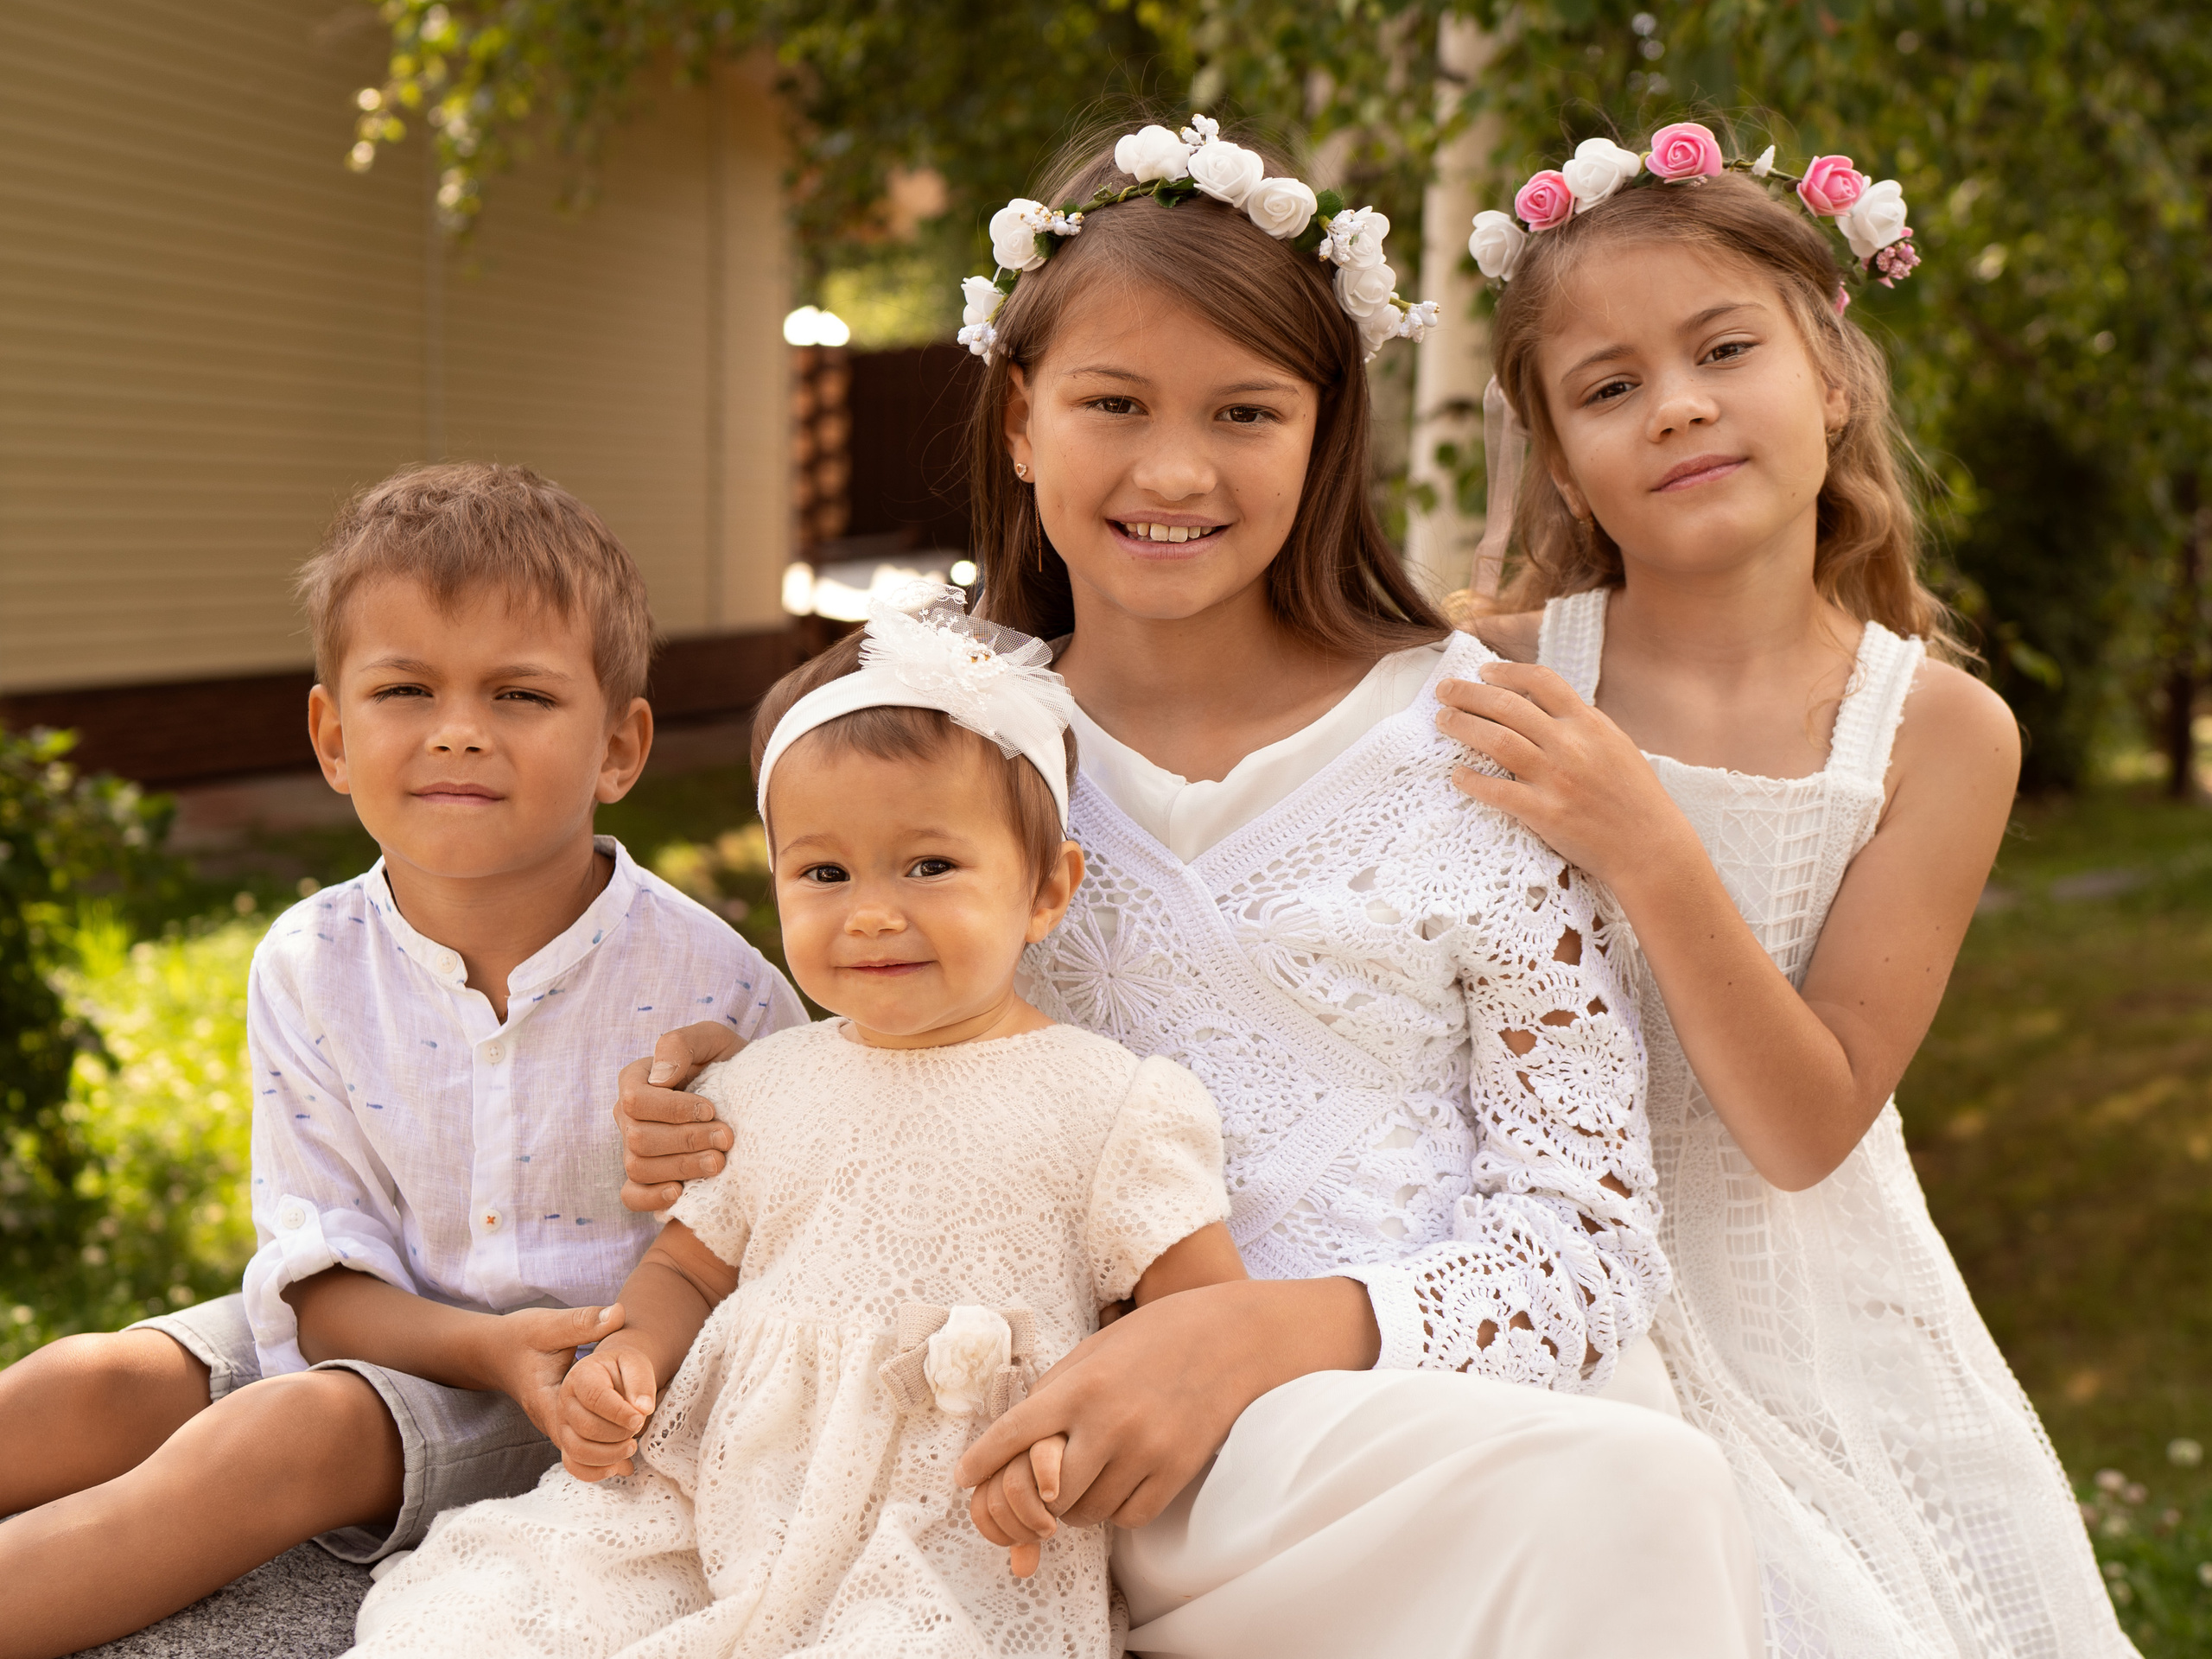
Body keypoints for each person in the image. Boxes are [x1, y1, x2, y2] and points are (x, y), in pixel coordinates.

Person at [615, 117, 1764, 1657]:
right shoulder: (944, 735)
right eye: (1113, 403)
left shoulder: (1474, 743)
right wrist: (713, 1062)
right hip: (1062, 1445)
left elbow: (1590, 1229)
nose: (1174, 468)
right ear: (1019, 420)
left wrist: (1263, 1338)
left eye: (1242, 411)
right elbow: (858, 997)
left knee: (1638, 1487)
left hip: (1424, 1413)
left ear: (1323, 430)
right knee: (1627, 1501)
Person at [1441, 130, 2133, 1656]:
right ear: (1560, 457)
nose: (1676, 402)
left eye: (1722, 348)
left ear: (1832, 374)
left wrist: (1649, 838)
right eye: (1608, 386)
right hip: (1548, 1283)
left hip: (1816, 1306)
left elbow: (1808, 1123)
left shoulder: (1938, 735)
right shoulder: (1486, 678)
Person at [0, 463, 804, 1659]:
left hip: (576, 1392)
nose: (459, 728)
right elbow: (321, 1294)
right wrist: (476, 1344)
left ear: (620, 747)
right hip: (387, 1326)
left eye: (520, 693)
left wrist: (742, 1112)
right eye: (405, 688)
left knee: (285, 1439)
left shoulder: (717, 989)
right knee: (90, 1382)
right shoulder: (307, 963)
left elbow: (799, 1247)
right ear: (333, 736)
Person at [348, 588, 1248, 1657]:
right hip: (718, 1492)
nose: (871, 911)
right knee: (494, 1613)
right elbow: (689, 1269)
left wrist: (1076, 1439)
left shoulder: (1109, 1104)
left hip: (946, 1522)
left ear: (1047, 889)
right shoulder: (760, 1085)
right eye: (824, 872)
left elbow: (1200, 1325)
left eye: (929, 866)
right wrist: (630, 1355)